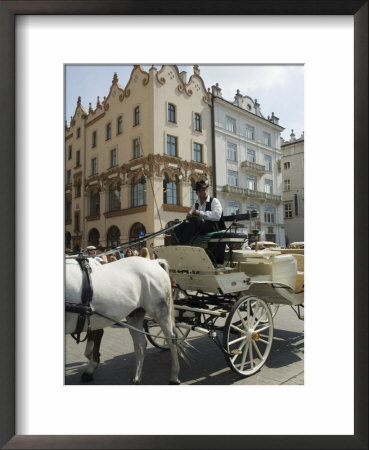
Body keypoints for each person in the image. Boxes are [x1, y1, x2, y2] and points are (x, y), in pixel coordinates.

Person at [172, 180, 225, 245]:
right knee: (180, 225)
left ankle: (184, 244)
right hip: (200, 227)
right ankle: (176, 243)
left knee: (195, 220)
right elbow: (191, 213)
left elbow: (217, 216)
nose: (203, 192)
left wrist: (200, 213)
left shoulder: (214, 201)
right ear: (197, 193)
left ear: (207, 190)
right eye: (200, 190)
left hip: (212, 227)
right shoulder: (196, 203)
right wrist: (189, 216)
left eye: (204, 190)